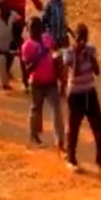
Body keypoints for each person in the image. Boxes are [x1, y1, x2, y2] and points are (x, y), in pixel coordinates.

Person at [63, 24, 101, 178]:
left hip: (90, 92)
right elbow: (74, 73)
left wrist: (89, 56)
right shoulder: (69, 53)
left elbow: (97, 71)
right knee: (74, 128)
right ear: (74, 37)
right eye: (80, 37)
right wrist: (77, 54)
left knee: (99, 128)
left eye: (85, 36)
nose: (83, 40)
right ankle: (71, 159)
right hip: (75, 94)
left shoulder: (91, 50)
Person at [0, 0, 43, 92]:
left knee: (11, 50)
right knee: (18, 51)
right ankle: (24, 82)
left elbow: (38, 3)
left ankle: (2, 75)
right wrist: (8, 9)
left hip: (19, 26)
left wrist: (43, 9)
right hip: (8, 26)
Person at [22, 16, 63, 148]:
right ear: (28, 29)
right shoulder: (27, 46)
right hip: (37, 82)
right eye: (32, 28)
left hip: (51, 81)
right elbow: (27, 70)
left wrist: (57, 60)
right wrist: (38, 57)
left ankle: (59, 140)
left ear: (41, 28)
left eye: (37, 27)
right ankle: (34, 135)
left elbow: (55, 52)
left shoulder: (47, 39)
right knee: (36, 109)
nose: (35, 30)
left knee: (56, 109)